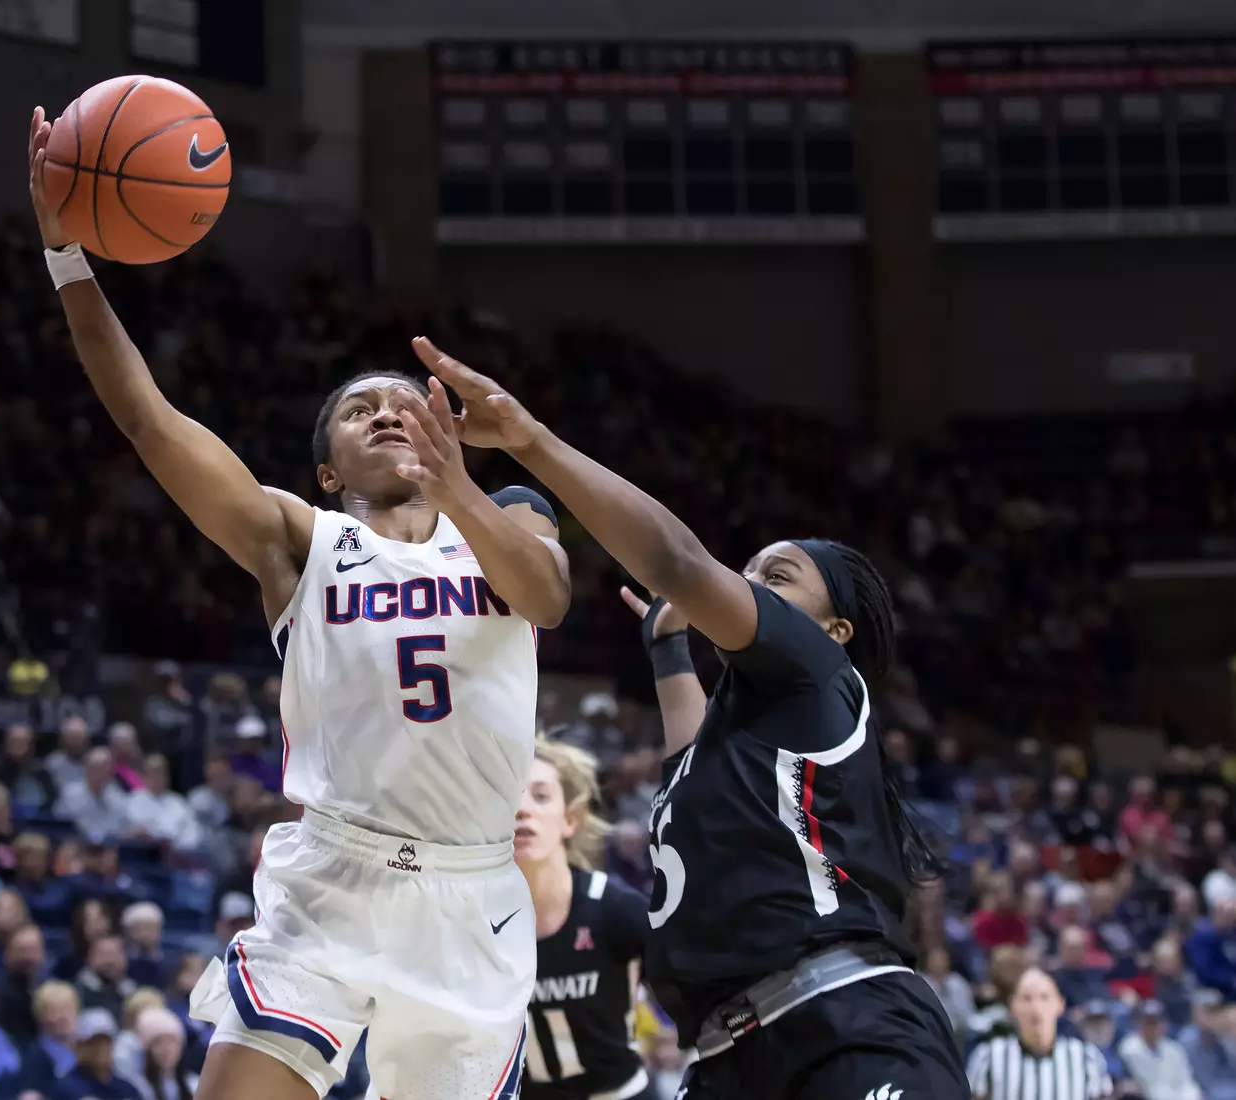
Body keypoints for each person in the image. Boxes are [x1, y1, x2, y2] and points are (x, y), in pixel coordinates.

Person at [30, 107, 567, 1100]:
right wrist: (68, 258)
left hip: (473, 898)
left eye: (403, 402)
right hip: (336, 878)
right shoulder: (302, 540)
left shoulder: (510, 519)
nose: (386, 413)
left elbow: (548, 596)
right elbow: (149, 420)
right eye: (360, 410)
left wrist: (459, 486)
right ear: (328, 471)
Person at [398, 341, 965, 1099]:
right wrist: (667, 647)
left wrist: (530, 441)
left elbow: (676, 561)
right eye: (748, 571)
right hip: (725, 1058)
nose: (748, 584)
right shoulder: (744, 731)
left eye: (776, 579)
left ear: (834, 631)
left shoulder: (820, 673)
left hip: (846, 1026)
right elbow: (687, 748)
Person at [515, 739, 657, 1100]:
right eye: (511, 796)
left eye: (541, 796)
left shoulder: (615, 909)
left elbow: (695, 988)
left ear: (570, 819)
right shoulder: (475, 924)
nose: (522, 809)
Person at [967, 969, 1111, 1100]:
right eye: (1026, 998)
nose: (1036, 1008)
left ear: (1060, 1004)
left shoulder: (1086, 1058)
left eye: (1044, 997)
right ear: (1012, 1006)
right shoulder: (988, 1057)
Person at [51, 1009, 143, 1100]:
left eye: (106, 1042)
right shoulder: (66, 1088)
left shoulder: (126, 1089)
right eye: (94, 1043)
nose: (101, 1049)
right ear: (79, 1047)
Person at [1118, 1000, 1201, 1100]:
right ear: (1139, 1024)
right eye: (1150, 1022)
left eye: (1159, 1021)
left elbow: (1186, 1082)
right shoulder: (1130, 1048)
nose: (1155, 1026)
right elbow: (1150, 1088)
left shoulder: (1173, 1048)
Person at [19, 981, 82, 1094]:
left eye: (68, 1008)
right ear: (40, 1016)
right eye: (55, 1011)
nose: (63, 1017)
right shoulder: (35, 1059)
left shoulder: (87, 1050)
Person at [130, 1006, 199, 1100]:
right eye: (159, 1042)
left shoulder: (193, 1084)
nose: (167, 1049)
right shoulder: (138, 1087)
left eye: (172, 1041)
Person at [76, 934, 139, 1020]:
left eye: (115, 954)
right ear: (90, 959)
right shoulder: (77, 992)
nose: (110, 961)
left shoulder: (133, 992)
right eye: (103, 955)